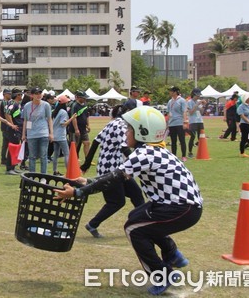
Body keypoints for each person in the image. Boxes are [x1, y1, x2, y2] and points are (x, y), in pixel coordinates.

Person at [54, 106, 203, 295]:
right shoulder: (155, 150)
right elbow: (115, 177)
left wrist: (78, 193)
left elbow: (114, 178)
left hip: (180, 208)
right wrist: (88, 182)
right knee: (137, 216)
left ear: (142, 131)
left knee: (134, 229)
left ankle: (162, 274)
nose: (126, 133)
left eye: (130, 129)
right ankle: (173, 254)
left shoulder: (144, 154)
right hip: (181, 205)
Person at [79, 102, 145, 238]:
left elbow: (96, 141)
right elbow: (124, 147)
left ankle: (143, 224)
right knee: (116, 201)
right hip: (112, 170)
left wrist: (86, 163)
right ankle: (92, 224)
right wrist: (138, 161)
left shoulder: (113, 123)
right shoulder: (121, 125)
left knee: (137, 195)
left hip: (116, 168)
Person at [22, 87, 53, 174]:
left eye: (40, 93)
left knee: (43, 156)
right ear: (32, 95)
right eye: (36, 93)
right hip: (31, 134)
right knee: (32, 156)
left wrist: (51, 133)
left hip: (43, 133)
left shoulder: (46, 105)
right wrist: (24, 134)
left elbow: (49, 119)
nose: (39, 95)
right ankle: (32, 175)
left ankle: (44, 175)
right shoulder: (27, 106)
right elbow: (25, 120)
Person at [51, 95, 74, 176]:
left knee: (56, 154)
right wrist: (72, 118)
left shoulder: (55, 111)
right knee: (67, 153)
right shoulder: (63, 112)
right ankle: (68, 172)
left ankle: (55, 171)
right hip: (61, 136)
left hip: (54, 135)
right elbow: (63, 124)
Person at [5, 88, 25, 174]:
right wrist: (12, 125)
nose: (22, 96)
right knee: (13, 148)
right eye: (21, 94)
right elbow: (7, 113)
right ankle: (9, 168)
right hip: (14, 130)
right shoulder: (12, 103)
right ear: (18, 95)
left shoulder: (18, 104)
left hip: (19, 129)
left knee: (16, 148)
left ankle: (13, 166)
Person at [167, 86, 188, 161]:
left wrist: (185, 122)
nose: (170, 92)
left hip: (179, 122)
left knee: (182, 140)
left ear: (175, 92)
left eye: (171, 91)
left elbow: (184, 111)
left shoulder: (182, 100)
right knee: (173, 140)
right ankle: (174, 155)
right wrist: (167, 123)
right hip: (172, 123)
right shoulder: (170, 101)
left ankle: (184, 156)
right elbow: (169, 112)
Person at [68, 90, 91, 158]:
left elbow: (86, 116)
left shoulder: (85, 105)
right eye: (83, 98)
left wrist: (88, 125)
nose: (85, 99)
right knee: (75, 145)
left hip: (83, 128)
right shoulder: (74, 106)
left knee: (87, 143)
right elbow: (73, 118)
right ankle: (73, 159)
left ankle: (87, 160)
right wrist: (76, 129)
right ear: (78, 97)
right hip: (75, 129)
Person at [186, 88, 206, 158]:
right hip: (193, 121)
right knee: (193, 136)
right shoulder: (189, 102)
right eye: (197, 95)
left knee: (200, 137)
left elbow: (201, 112)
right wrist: (197, 105)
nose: (198, 97)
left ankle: (200, 152)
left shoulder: (199, 101)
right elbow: (191, 112)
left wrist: (203, 106)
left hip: (200, 121)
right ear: (194, 94)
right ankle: (190, 152)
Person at [0, 88, 12, 166]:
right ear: (4, 94)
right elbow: (7, 114)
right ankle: (4, 159)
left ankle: (4, 159)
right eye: (9, 94)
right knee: (6, 144)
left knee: (6, 144)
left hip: (5, 125)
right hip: (6, 125)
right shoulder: (4, 102)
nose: (10, 95)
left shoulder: (6, 102)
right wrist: (11, 124)